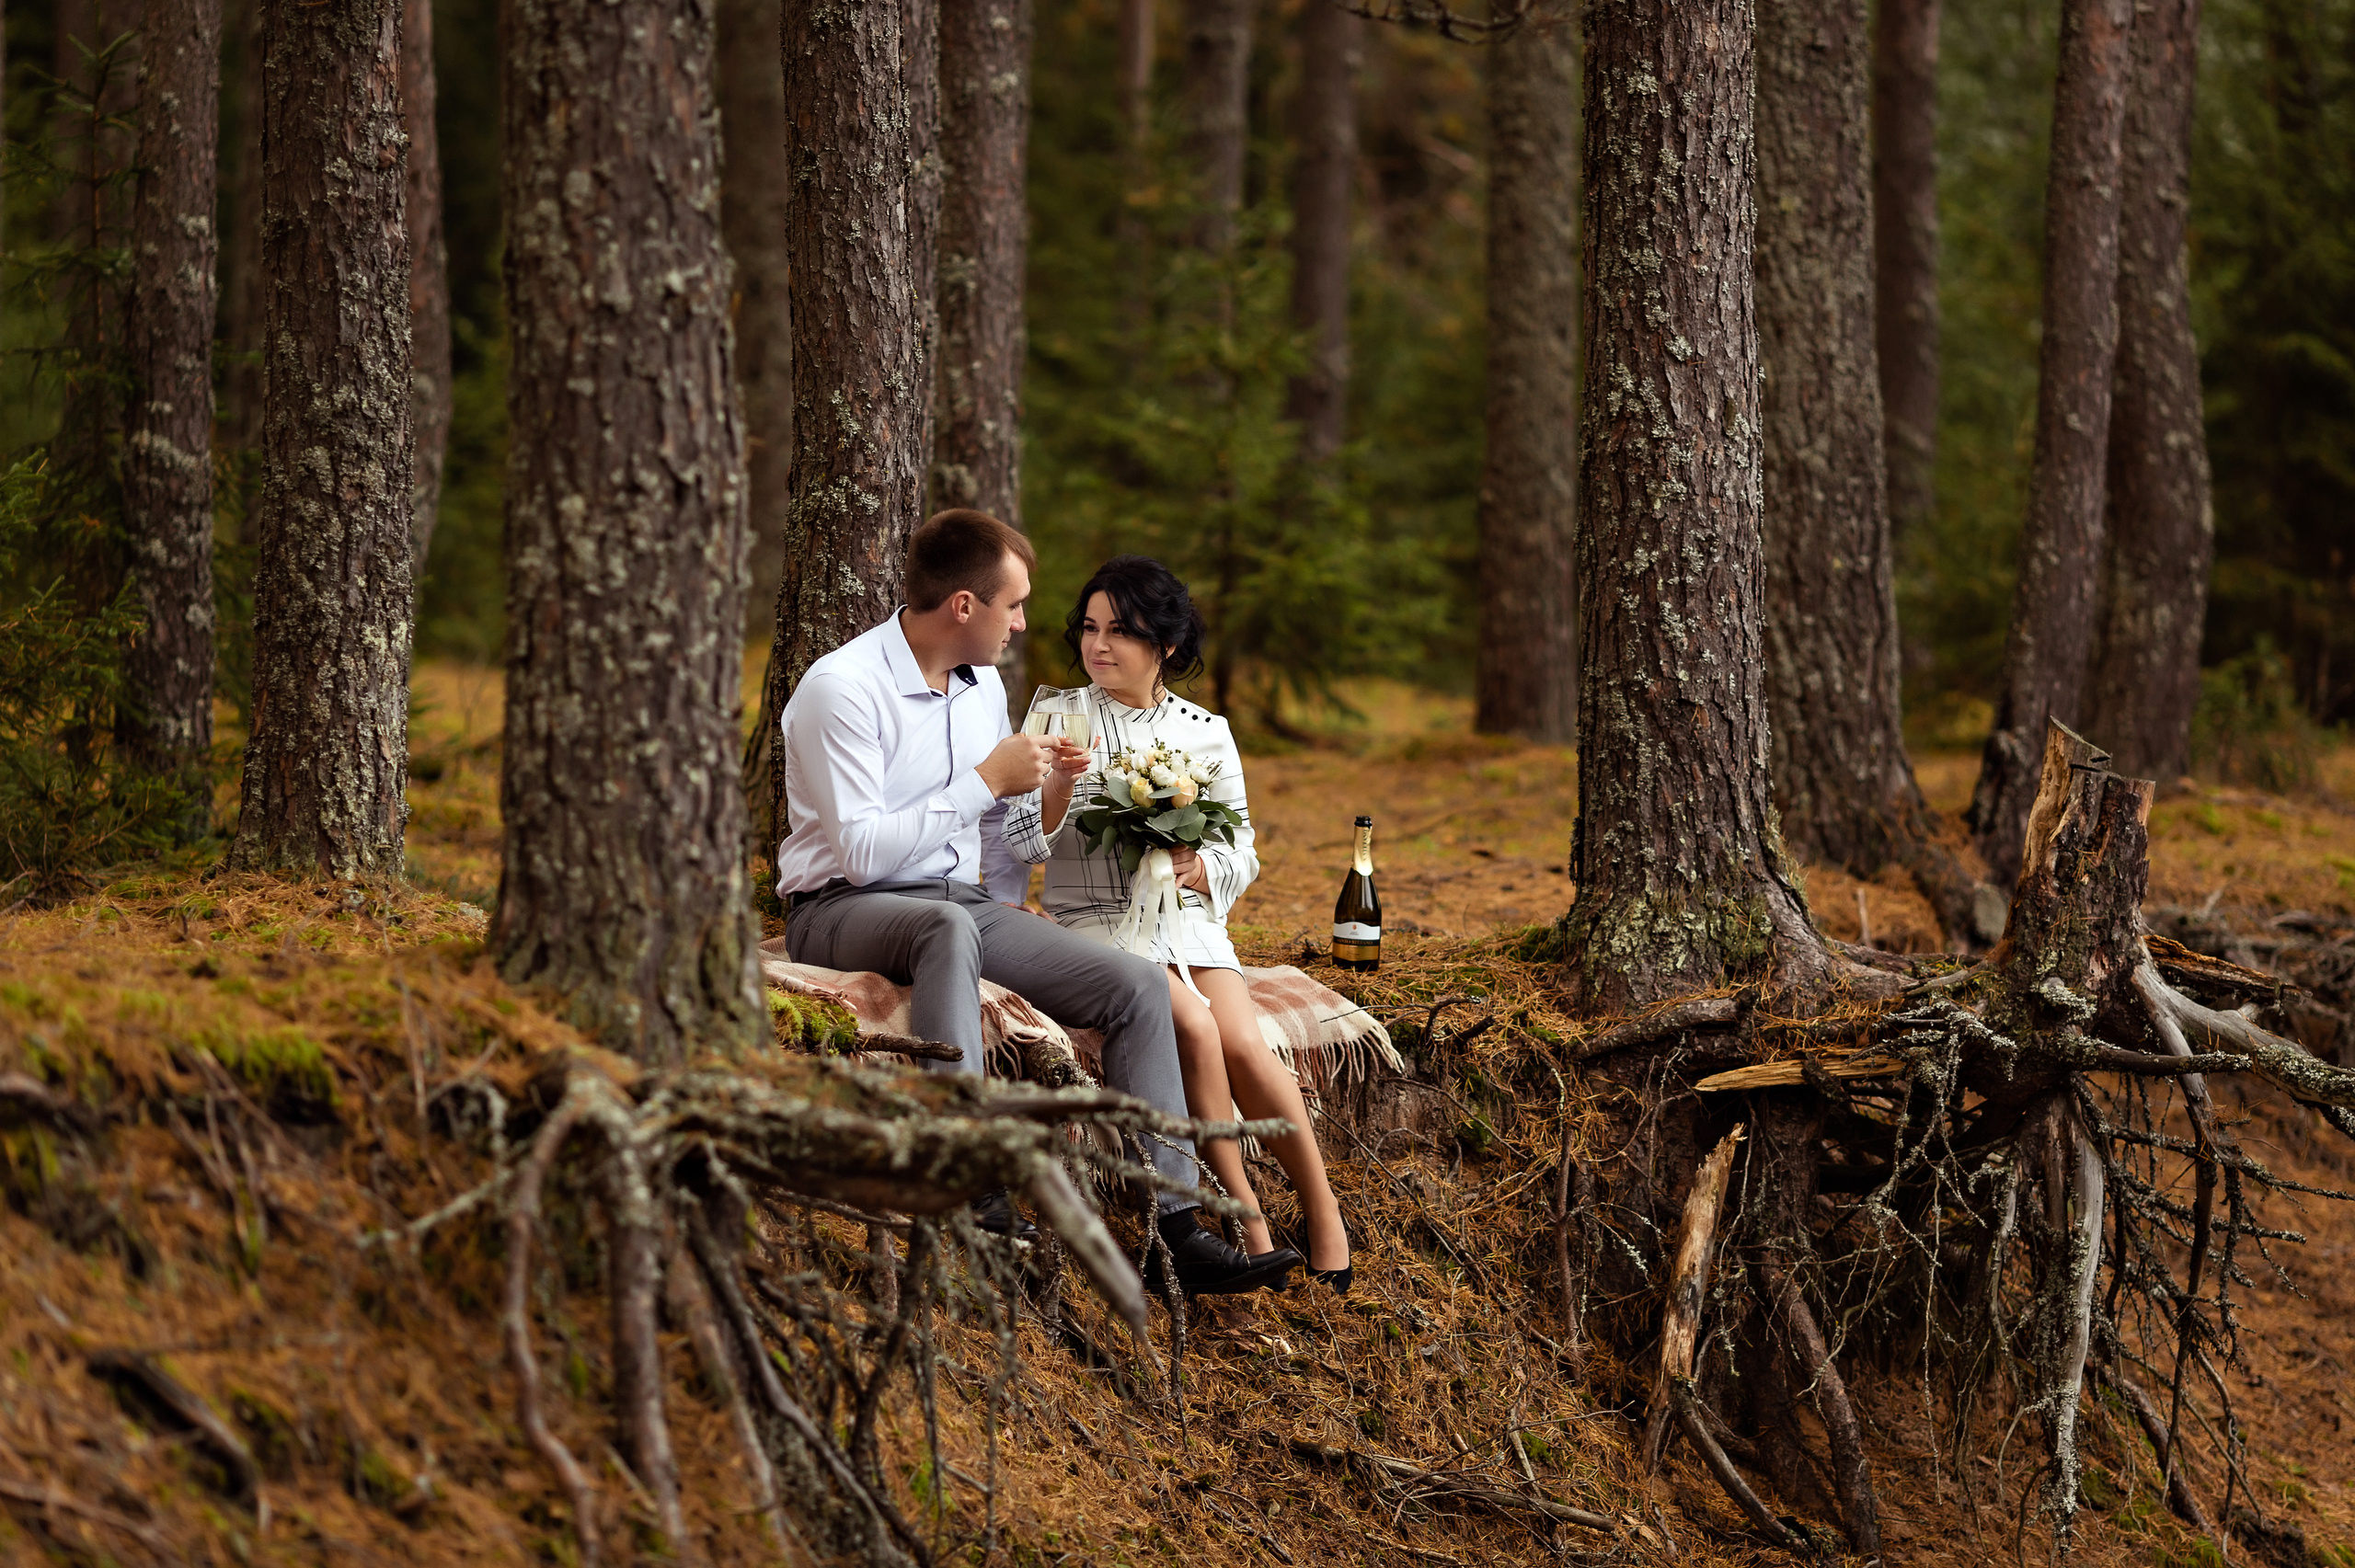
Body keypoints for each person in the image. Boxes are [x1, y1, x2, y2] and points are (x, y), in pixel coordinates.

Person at [775, 510, 1295, 1296]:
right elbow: (862, 854)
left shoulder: (982, 687)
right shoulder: (841, 689)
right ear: (963, 607)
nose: (1023, 624)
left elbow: (997, 838)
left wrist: (1015, 896)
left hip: (959, 903)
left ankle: (1175, 1228)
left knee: (1138, 986)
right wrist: (986, 777)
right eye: (1013, 606)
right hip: (843, 904)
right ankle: (975, 1182)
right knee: (946, 925)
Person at [1006, 555, 1353, 1294]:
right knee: (1193, 1025)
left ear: (1164, 644)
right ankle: (1249, 1220)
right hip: (1092, 921)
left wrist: (1202, 869)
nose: (1099, 646)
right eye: (1091, 628)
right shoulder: (1055, 715)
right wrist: (1061, 784)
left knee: (1244, 1043)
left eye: (1122, 631)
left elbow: (1243, 849)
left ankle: (1324, 1210)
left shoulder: (1206, 731)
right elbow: (1016, 840)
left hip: (1187, 918)